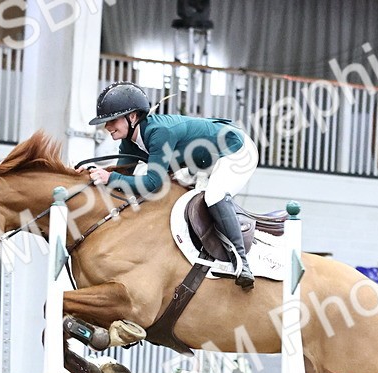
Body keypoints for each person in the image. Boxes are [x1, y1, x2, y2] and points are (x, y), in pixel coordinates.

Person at [84, 81, 258, 289]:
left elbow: (153, 182)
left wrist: (110, 178)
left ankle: (242, 263)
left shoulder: (159, 133)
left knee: (214, 196)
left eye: (113, 120)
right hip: (203, 163)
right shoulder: (128, 141)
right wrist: (90, 176)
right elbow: (120, 176)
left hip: (236, 150)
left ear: (133, 117)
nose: (107, 127)